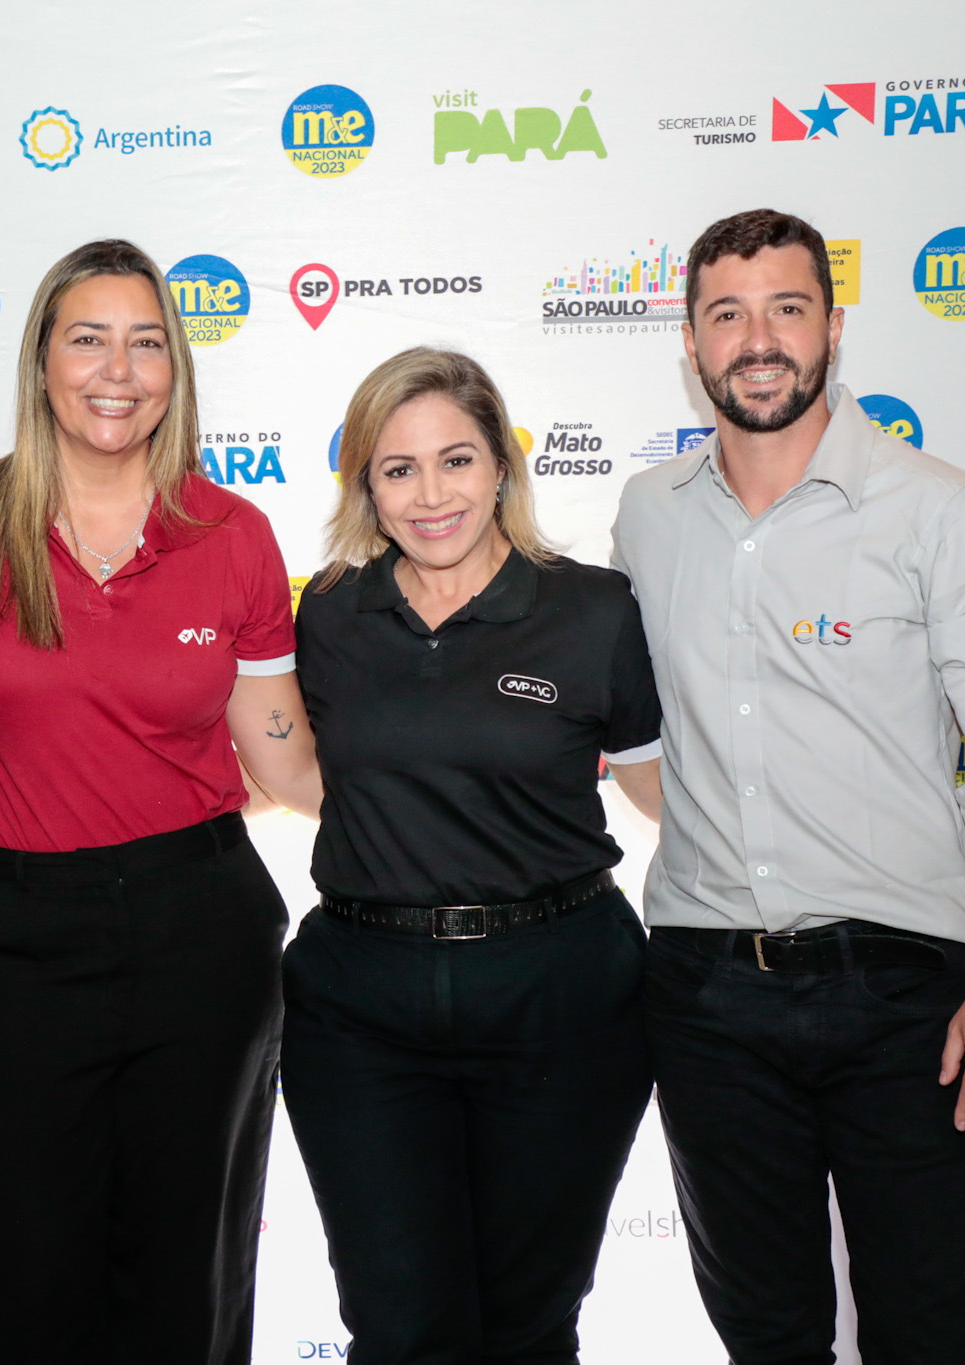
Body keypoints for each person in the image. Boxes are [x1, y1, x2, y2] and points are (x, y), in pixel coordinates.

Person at [612, 208, 965, 1364]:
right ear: (690, 343)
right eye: (726, 314)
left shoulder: (936, 508)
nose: (755, 338)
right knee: (764, 1338)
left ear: (829, 327)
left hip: (905, 1004)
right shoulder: (646, 515)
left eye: (784, 308)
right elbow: (636, 745)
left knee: (923, 1334)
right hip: (704, 994)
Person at [0, 238, 320, 1364]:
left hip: (200, 928)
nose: (114, 369)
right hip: (15, 938)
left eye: (144, 342)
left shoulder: (232, 537)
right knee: (24, 1278)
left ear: (174, 370)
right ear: (39, 363)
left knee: (185, 1275)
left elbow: (283, 763)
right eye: (86, 338)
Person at [279, 347, 662, 1363]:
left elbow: (668, 795)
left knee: (528, 1327)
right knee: (400, 1328)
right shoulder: (328, 612)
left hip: (557, 998)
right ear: (365, 484)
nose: (429, 494)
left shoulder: (591, 611)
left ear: (501, 464)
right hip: (360, 1008)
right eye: (397, 469)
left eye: (454, 460)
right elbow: (294, 772)